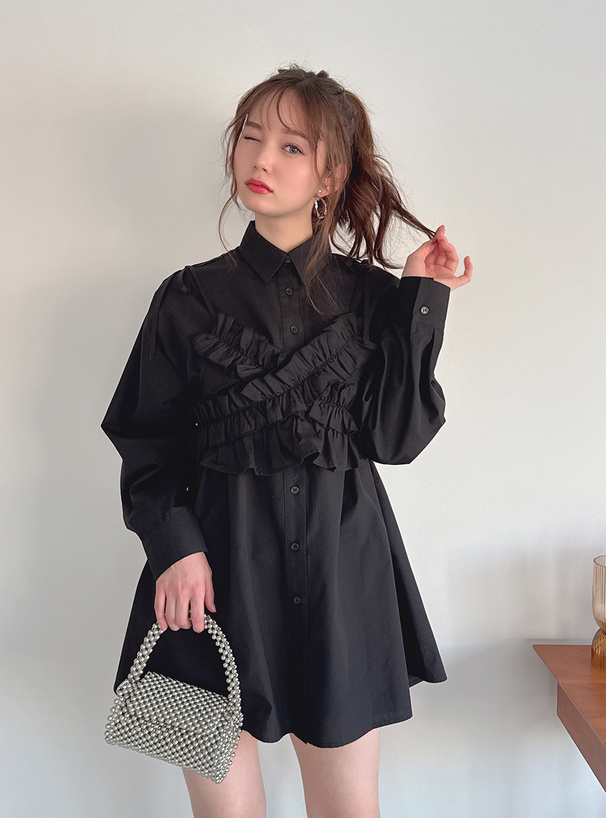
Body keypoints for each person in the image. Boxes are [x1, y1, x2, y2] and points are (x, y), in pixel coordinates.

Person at [102, 64, 472, 818]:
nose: (261, 158)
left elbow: (395, 438)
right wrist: (174, 547)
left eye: (291, 146)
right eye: (250, 137)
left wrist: (423, 299)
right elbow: (145, 439)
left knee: (348, 810)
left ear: (331, 174)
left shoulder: (376, 299)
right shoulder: (185, 297)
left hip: (342, 579)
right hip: (208, 580)